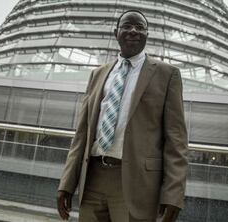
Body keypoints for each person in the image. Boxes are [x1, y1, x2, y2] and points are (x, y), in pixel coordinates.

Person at [57, 9, 188, 222]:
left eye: (140, 27)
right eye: (127, 26)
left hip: (137, 184)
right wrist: (67, 183)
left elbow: (177, 141)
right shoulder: (98, 74)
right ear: (115, 32)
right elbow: (81, 135)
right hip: (92, 179)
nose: (133, 31)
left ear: (148, 34)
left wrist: (173, 195)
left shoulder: (167, 74)